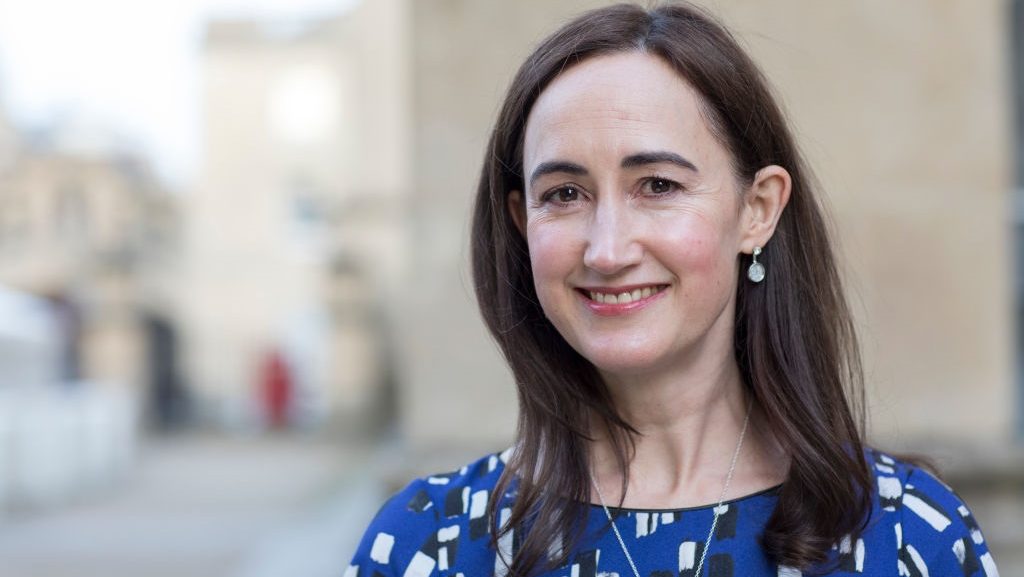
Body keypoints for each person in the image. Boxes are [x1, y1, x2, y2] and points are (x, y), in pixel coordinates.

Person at [347, 3, 1000, 576]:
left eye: (658, 185)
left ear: (757, 209)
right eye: (564, 194)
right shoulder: (429, 544)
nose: (607, 248)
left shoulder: (908, 540)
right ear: (522, 223)